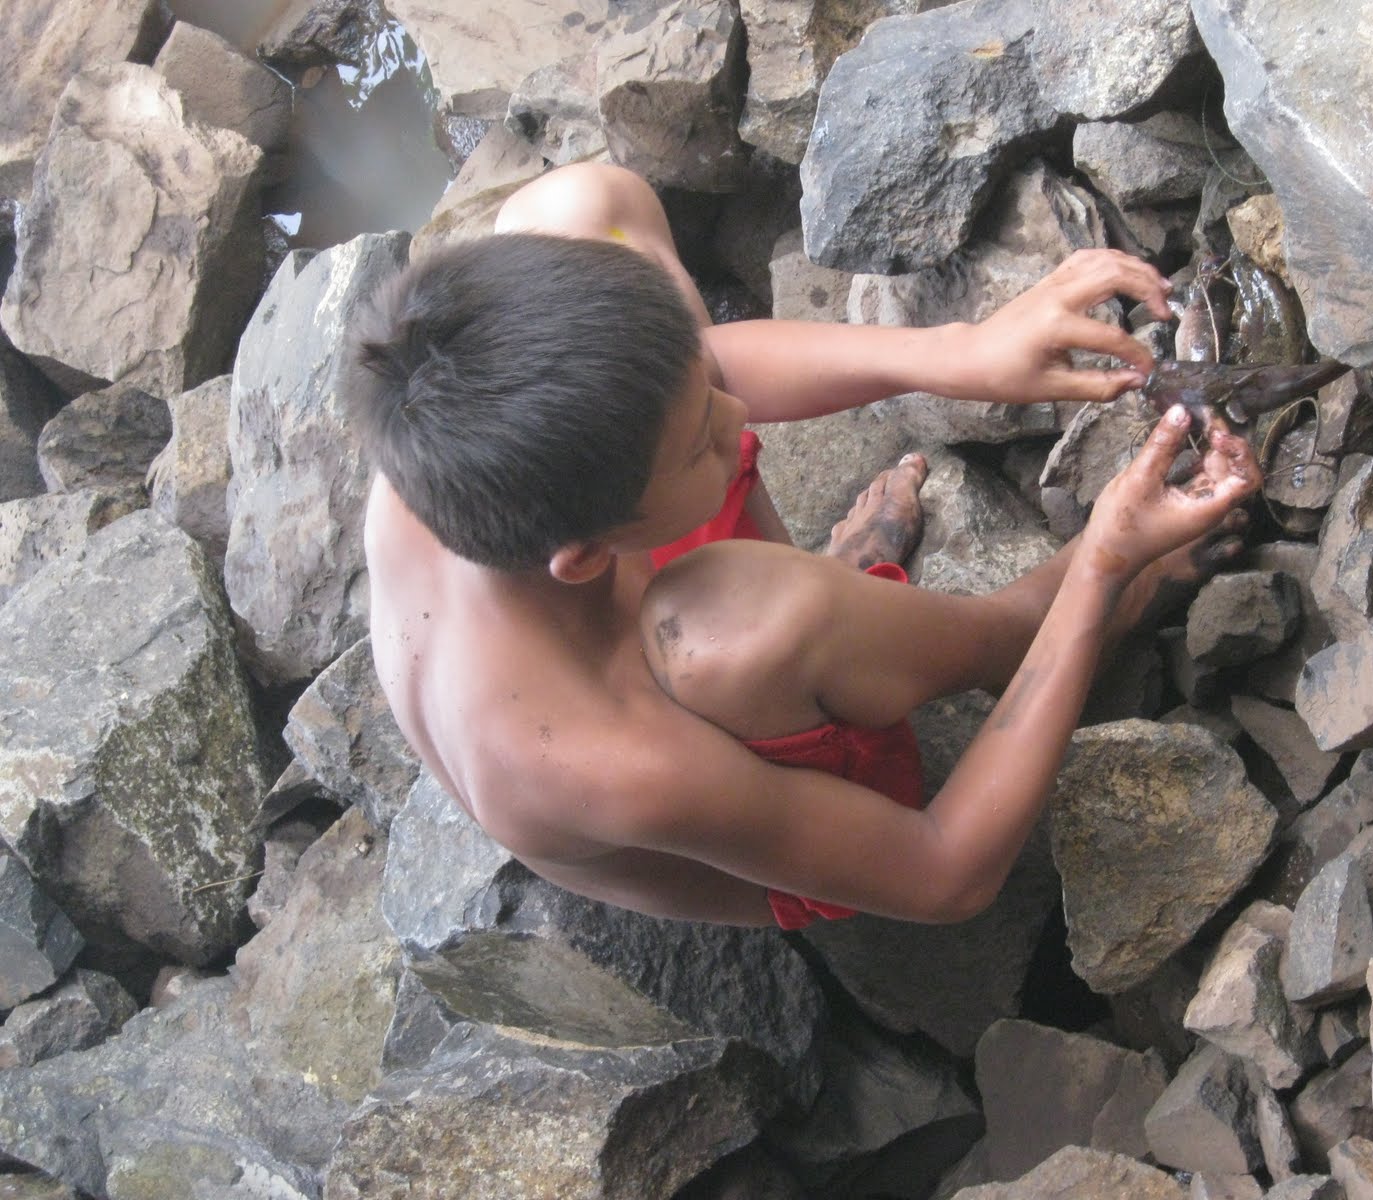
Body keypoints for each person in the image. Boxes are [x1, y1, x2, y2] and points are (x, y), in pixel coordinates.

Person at [352, 163, 1262, 928]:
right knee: (732, 618)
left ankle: (845, 594)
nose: (741, 418)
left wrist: (960, 353)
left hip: (631, 578)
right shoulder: (605, 758)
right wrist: (1097, 569)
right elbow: (944, 873)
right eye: (704, 443)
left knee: (581, 206)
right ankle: (1019, 632)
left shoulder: (458, 448)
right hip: (795, 832)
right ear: (589, 557)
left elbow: (704, 369)